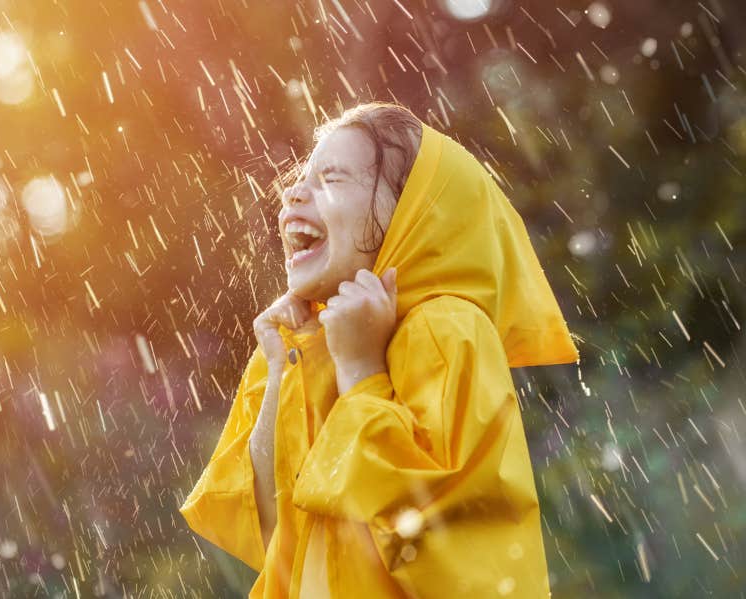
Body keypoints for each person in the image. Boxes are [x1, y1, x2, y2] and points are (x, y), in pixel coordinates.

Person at [179, 101, 580, 598]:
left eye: (332, 179)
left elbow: (440, 543)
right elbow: (267, 526)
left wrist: (362, 372)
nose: (291, 194)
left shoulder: (445, 328)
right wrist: (282, 370)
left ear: (412, 215)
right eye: (302, 178)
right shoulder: (310, 340)